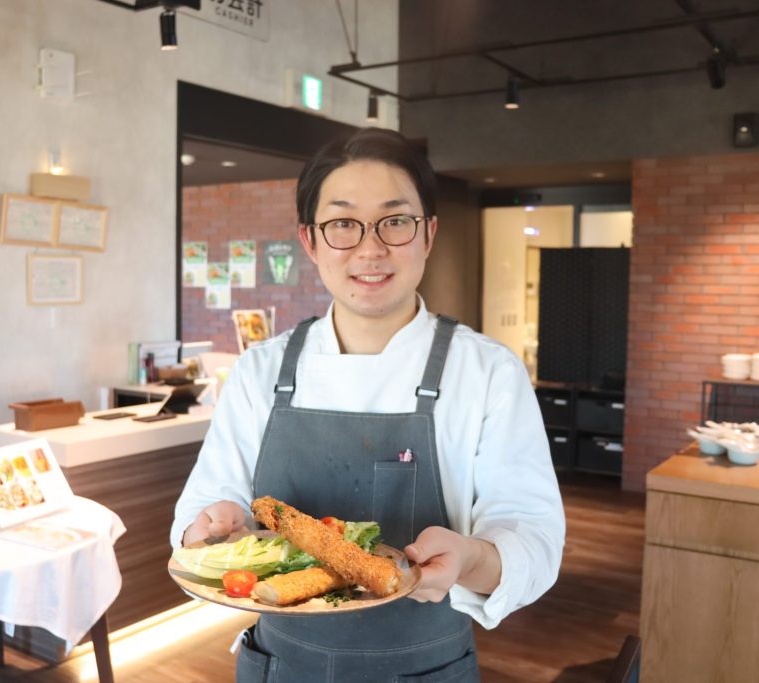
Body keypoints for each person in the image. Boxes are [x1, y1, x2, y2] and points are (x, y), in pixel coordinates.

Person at [171, 127, 565, 682]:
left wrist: (472, 559)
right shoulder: (262, 370)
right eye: (342, 223)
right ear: (310, 241)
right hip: (280, 664)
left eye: (395, 221)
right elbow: (209, 500)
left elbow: (532, 535)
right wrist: (209, 525)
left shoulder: (486, 373)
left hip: (424, 666)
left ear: (428, 234)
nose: (370, 248)